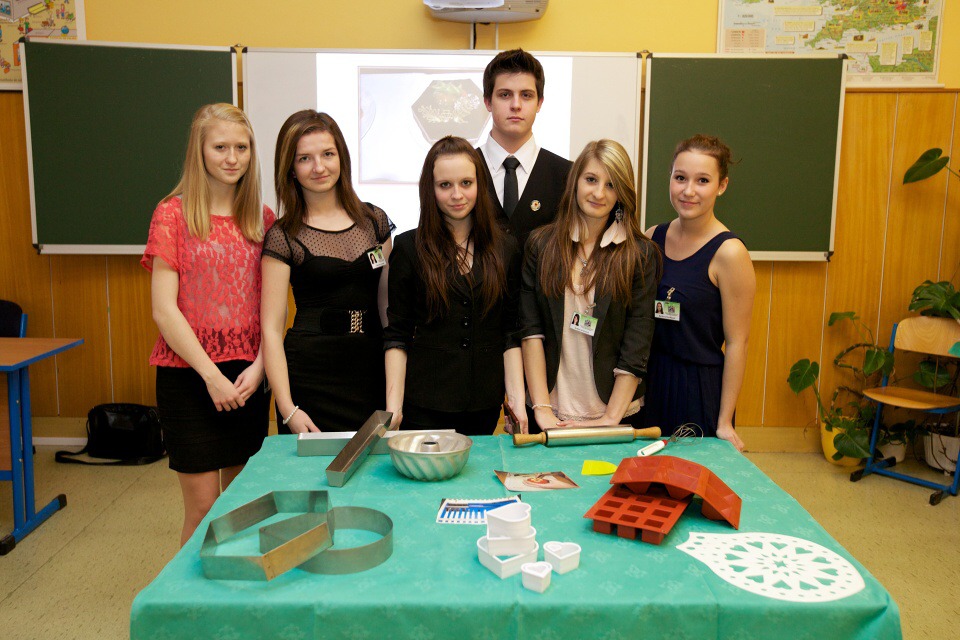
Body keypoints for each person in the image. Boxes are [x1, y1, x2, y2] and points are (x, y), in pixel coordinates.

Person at [143, 103, 274, 546]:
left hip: (248, 378)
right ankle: (191, 591)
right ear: (199, 151)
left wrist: (261, 367)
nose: (232, 158)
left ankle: (238, 584)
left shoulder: (263, 218)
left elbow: (273, 309)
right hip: (190, 375)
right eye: (220, 147)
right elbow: (164, 310)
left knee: (240, 504)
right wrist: (212, 376)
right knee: (202, 509)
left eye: (242, 147)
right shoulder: (172, 214)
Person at [261, 110, 394, 434]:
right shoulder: (283, 235)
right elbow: (271, 329)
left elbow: (386, 308)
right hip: (310, 378)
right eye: (304, 158)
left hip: (370, 371)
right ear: (291, 169)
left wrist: (395, 388)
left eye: (327, 154)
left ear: (342, 158)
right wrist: (287, 409)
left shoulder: (374, 222)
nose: (319, 167)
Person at [385, 136, 526, 435]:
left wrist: (516, 401)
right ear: (430, 189)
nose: (457, 194)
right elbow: (397, 335)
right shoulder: (409, 247)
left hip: (484, 405)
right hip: (424, 405)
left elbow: (510, 332)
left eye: (466, 183)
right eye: (445, 185)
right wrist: (393, 408)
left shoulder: (506, 248)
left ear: (480, 185)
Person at [519, 139, 660, 432]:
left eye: (611, 185)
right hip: (549, 408)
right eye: (591, 179)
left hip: (616, 410)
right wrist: (542, 410)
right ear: (575, 181)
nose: (598, 193)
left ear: (622, 193)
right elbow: (531, 331)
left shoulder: (640, 254)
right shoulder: (541, 245)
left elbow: (638, 341)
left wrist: (610, 418)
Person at [641, 134, 755, 452]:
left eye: (702, 180)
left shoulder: (730, 253)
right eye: (680, 178)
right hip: (650, 383)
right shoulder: (652, 237)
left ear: (722, 185)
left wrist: (725, 421)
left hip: (698, 390)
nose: (688, 190)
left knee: (690, 478)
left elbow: (737, 343)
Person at [477, 49, 572, 250]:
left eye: (526, 95)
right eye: (505, 95)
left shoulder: (567, 175)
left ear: (539, 103)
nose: (516, 105)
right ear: (487, 102)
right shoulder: (462, 171)